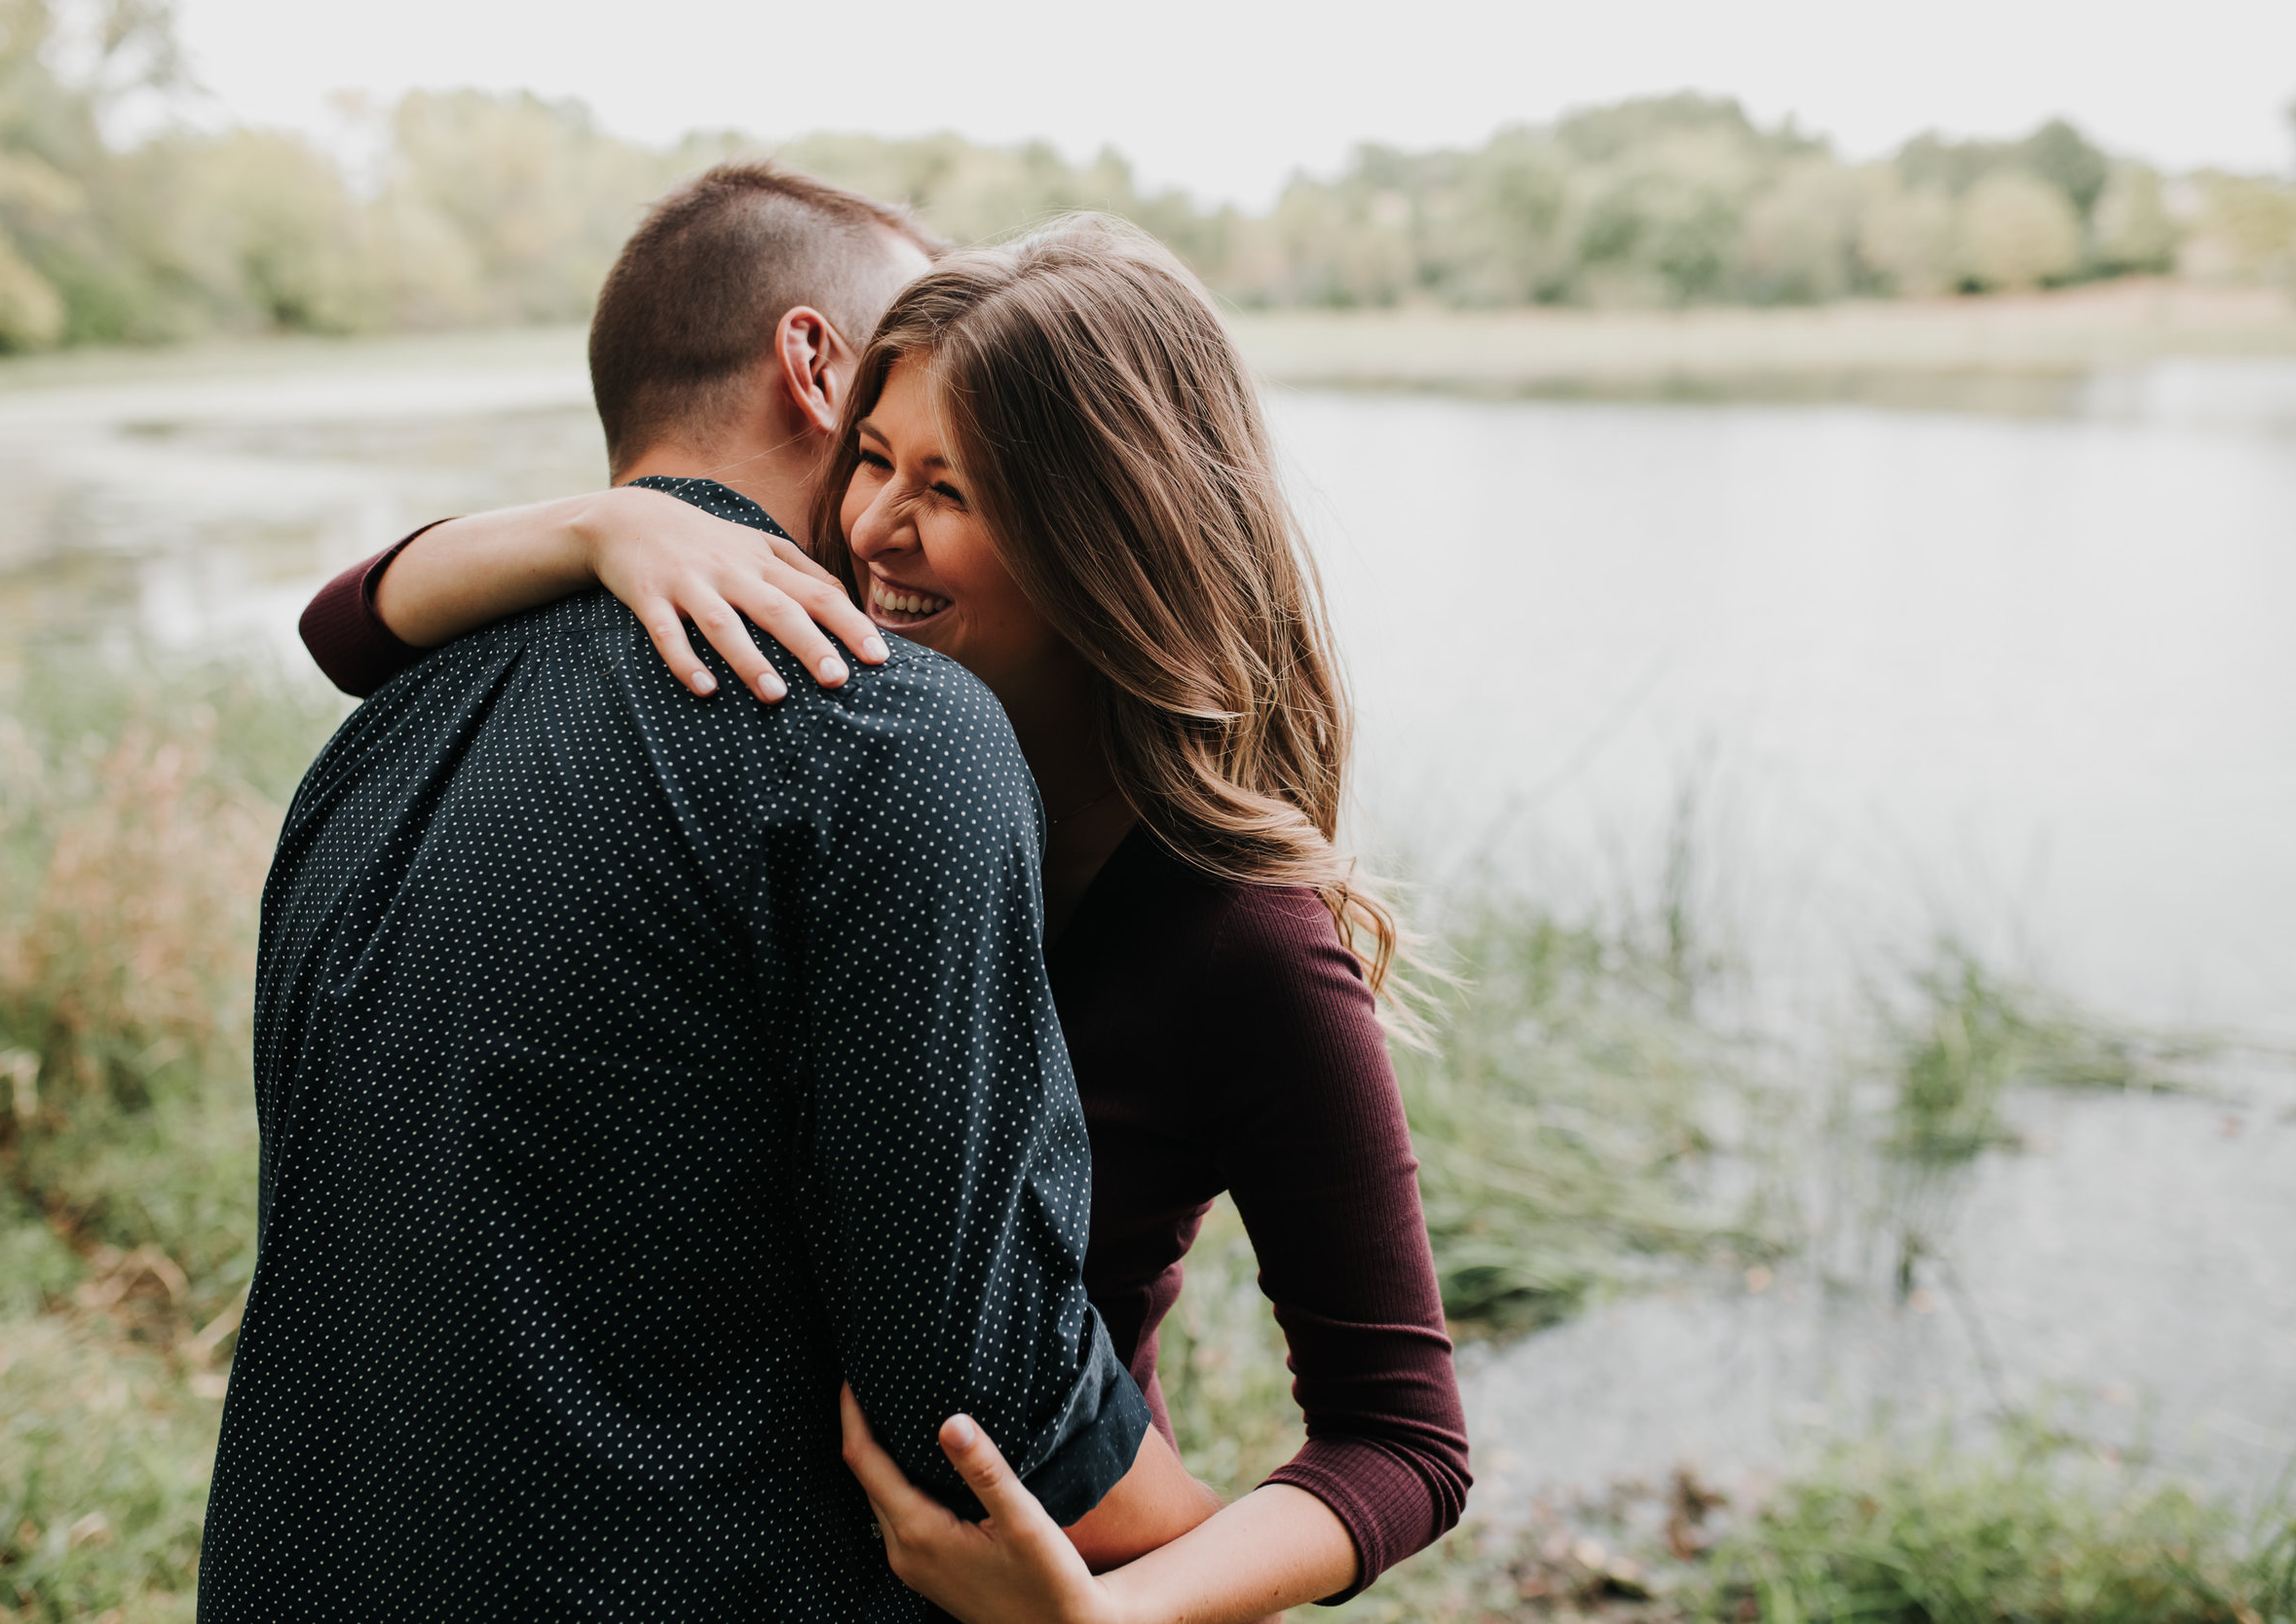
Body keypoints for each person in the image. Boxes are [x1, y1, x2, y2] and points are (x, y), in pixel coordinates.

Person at [301, 211, 1472, 1619]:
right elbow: (346, 631)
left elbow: (1404, 1441)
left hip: (1021, 1553)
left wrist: (1121, 1613)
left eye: (950, 490)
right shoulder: (833, 761)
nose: (872, 528)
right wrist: (604, 521)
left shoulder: (1246, 939)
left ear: (1105, 535)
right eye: (870, 458)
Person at [203, 166, 1215, 1624]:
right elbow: (976, 1400)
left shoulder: (374, 737)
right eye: (898, 389)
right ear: (815, 366)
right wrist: (1228, 1551)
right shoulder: (890, 736)